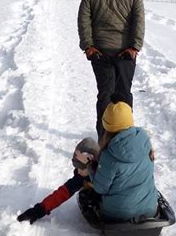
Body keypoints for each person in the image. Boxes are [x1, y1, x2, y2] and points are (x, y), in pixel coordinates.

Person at [17, 94, 157, 224]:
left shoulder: (108, 158)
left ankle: (45, 208)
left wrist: (89, 167)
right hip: (150, 207)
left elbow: (98, 189)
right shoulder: (145, 141)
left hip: (117, 213)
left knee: (86, 192)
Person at [77, 0, 145, 141]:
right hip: (126, 53)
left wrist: (89, 46)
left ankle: (103, 138)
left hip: (100, 52)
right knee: (123, 94)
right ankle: (125, 138)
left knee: (105, 94)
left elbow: (83, 21)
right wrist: (134, 47)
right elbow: (139, 22)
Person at [17, 138, 100, 224]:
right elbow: (62, 193)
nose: (78, 171)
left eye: (82, 168)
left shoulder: (107, 172)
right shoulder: (81, 177)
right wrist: (39, 210)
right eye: (77, 168)